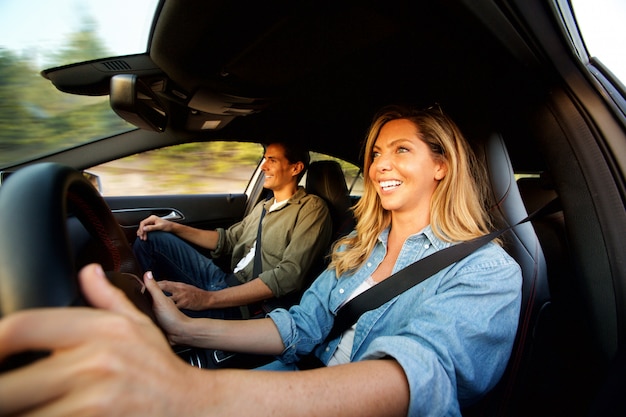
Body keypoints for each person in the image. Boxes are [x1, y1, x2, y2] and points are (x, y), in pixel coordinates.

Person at [0, 105, 522, 417]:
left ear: (441, 166)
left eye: (401, 150)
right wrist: (185, 328)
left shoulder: (487, 272)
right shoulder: (354, 250)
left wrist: (191, 393)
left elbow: (417, 374)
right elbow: (299, 325)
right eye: (376, 152)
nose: (380, 163)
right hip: (294, 373)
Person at [133, 141, 333, 318]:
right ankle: (142, 292)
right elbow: (227, 240)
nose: (263, 166)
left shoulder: (312, 209)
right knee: (153, 237)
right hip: (223, 279)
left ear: (295, 168)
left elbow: (288, 275)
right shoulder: (263, 207)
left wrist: (208, 299)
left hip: (244, 303)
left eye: (272, 160)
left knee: (152, 307)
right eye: (264, 159)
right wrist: (172, 226)